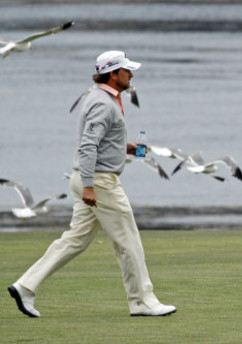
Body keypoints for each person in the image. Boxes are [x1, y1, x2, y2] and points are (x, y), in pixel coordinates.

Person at [8, 50, 176, 317]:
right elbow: (88, 146)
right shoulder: (103, 103)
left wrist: (124, 147)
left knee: (74, 240)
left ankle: (25, 286)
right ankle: (143, 301)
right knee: (128, 241)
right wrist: (89, 186)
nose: (131, 74)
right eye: (127, 70)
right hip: (99, 182)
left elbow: (100, 142)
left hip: (88, 177)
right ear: (113, 74)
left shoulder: (102, 98)